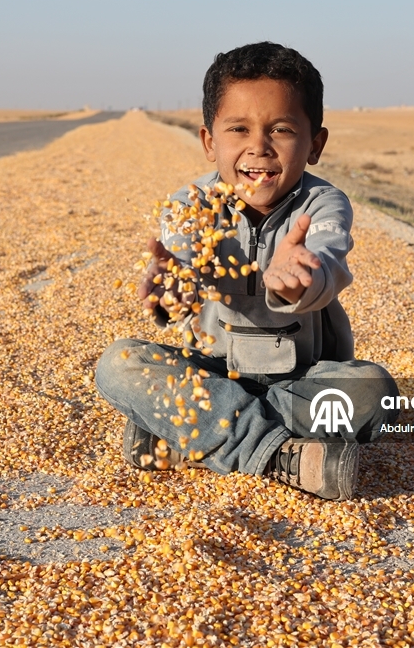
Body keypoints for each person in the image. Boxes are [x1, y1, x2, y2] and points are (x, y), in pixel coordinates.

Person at [95, 42, 398, 501]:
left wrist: (302, 279)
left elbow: (329, 260)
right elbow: (180, 277)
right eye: (238, 128)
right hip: (212, 372)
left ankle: (189, 437)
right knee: (117, 364)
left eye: (281, 129)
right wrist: (173, 290)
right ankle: (280, 458)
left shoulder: (323, 204)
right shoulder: (188, 206)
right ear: (209, 141)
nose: (259, 147)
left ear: (315, 144)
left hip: (302, 379)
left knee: (376, 393)